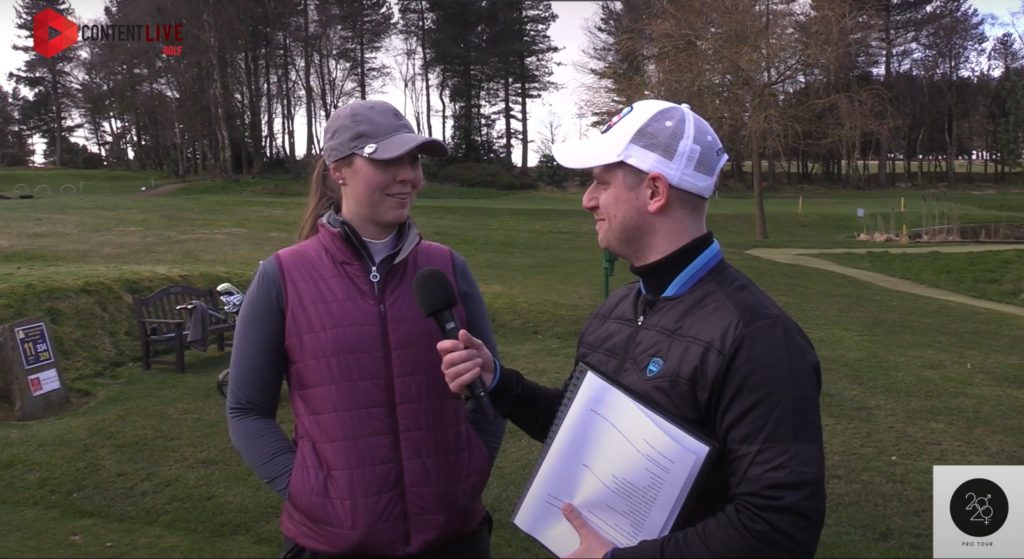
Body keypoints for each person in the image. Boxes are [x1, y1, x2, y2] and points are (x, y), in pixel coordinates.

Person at [438, 100, 826, 558]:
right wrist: (500, 383)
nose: (587, 200)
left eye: (601, 182)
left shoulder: (758, 339)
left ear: (655, 191)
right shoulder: (618, 308)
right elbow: (582, 430)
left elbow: (778, 525)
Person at [227, 99, 506, 558]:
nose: (408, 176)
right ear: (339, 169)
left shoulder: (447, 268)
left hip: (454, 537)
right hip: (331, 544)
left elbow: (492, 387)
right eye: (388, 160)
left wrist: (470, 469)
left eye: (413, 161)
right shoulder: (282, 276)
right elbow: (246, 410)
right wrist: (308, 491)